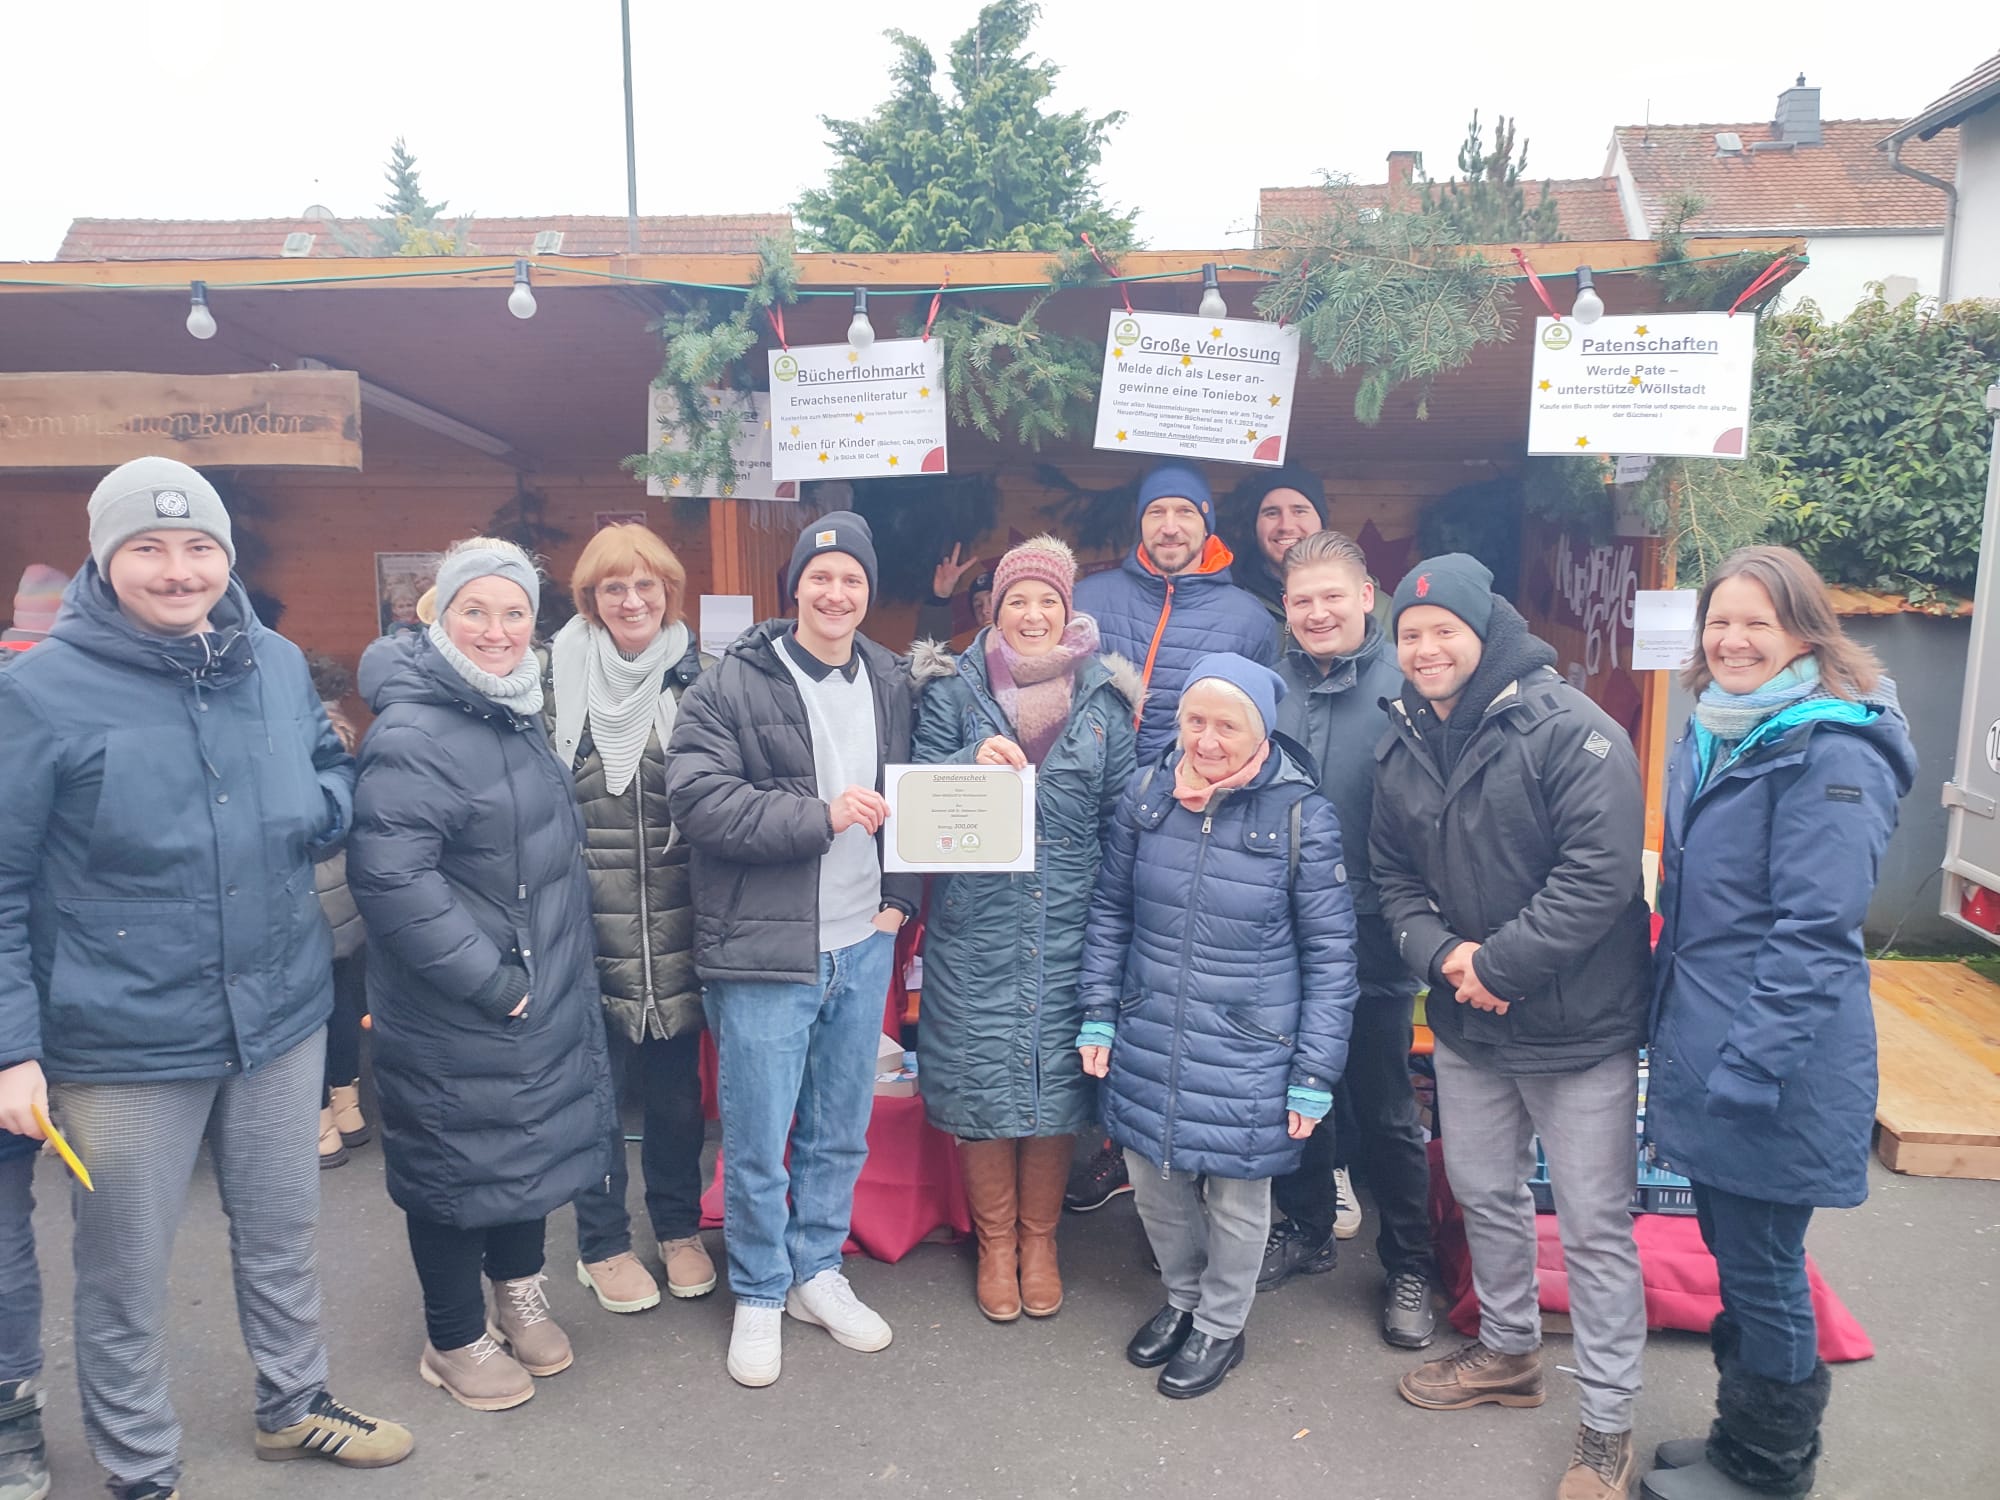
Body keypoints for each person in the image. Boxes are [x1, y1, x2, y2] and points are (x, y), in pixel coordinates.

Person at [0, 457, 412, 1500]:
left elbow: (329, 765)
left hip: (276, 1012)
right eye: (148, 548)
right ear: (106, 557)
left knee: (281, 1233)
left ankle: (294, 1405)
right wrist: (13, 1050)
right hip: (121, 1038)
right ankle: (142, 1469)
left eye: (198, 547)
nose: (177, 571)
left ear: (225, 555)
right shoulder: (37, 694)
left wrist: (315, 809)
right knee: (125, 1272)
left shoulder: (271, 660)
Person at [1370, 553, 1651, 1500]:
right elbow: (1391, 877)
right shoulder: (1403, 735)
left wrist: (1496, 966)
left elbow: (1599, 878)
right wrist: (1447, 959)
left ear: (1483, 631)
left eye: (1442, 630)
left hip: (1577, 1029)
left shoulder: (1572, 729)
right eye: (1410, 636)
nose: (1425, 648)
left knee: (1593, 1227)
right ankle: (1507, 1354)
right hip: (1467, 1025)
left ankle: (1607, 1428)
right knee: (1486, 1192)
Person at [1640, 547, 1914, 1500]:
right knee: (1738, 1255)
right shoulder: (1723, 731)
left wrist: (1753, 1069)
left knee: (1762, 1268)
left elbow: (1813, 932)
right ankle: (1737, 1439)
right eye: (1720, 621)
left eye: (1757, 622)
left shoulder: (1830, 750)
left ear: (1805, 630)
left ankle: (1766, 1470)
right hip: (1714, 1039)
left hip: (1774, 1060)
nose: (1733, 639)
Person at [349, 537, 615, 1414]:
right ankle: (455, 1335)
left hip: (531, 988)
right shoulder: (415, 727)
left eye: (514, 613)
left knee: (526, 1151)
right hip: (461, 1003)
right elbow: (393, 878)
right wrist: (493, 981)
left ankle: (520, 1292)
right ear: (440, 617)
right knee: (454, 1173)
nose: (496, 630)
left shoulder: (512, 708)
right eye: (476, 611)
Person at [665, 511, 919, 1388]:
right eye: (822, 576)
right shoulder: (728, 686)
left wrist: (897, 903)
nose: (836, 592)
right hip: (766, 952)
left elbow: (916, 799)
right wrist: (822, 816)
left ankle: (817, 1272)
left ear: (867, 591)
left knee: (840, 1132)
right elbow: (698, 801)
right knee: (760, 1135)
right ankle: (762, 1291)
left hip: (862, 942)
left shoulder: (890, 677)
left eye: (852, 578)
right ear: (796, 587)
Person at [1077, 654, 1358, 1400]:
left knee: (1236, 1198)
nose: (1205, 739)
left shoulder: (1301, 815)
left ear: (1259, 730)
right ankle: (1183, 1299)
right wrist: (1099, 1014)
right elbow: (1112, 912)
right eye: (1194, 720)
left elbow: (1332, 956)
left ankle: (1221, 1327)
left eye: (1225, 724)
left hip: (1248, 1046)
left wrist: (1313, 1075)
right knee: (1153, 1181)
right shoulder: (1148, 795)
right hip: (1150, 1029)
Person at [911, 535, 1139, 1322]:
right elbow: (914, 802)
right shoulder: (952, 689)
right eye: (1017, 601)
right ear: (993, 610)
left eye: (1048, 600)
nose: (1034, 614)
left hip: (1075, 924)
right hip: (978, 927)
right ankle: (994, 1242)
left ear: (1068, 610)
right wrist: (967, 768)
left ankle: (1039, 1242)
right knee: (982, 1083)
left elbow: (1122, 822)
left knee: (1057, 1086)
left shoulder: (1106, 700)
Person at [1067, 462, 1278, 1209]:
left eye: (1185, 513)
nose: (1170, 527)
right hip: (1093, 818)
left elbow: (1265, 729)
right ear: (1140, 523)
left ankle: (1176, 1166)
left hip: (1193, 825)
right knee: (1103, 973)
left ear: (1207, 523)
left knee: (1170, 981)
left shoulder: (1251, 618)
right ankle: (1115, 1146)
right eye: (1157, 513)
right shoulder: (1089, 601)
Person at [1260, 531, 1437, 1349]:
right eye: (1302, 601)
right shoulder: (1269, 687)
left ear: (1369, 595)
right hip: (1282, 926)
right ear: (1286, 610)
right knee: (1299, 1094)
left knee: (1387, 1102)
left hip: (1376, 929)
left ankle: (1408, 1263)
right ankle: (1305, 1228)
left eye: (1333, 596)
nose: (1318, 612)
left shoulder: (1412, 686)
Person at [547, 524, 717, 1314]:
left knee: (677, 1096)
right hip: (585, 929)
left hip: (682, 924)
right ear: (591, 598)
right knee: (598, 1096)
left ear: (668, 592)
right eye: (614, 587)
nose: (632, 600)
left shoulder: (700, 679)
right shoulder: (551, 682)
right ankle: (603, 1244)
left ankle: (679, 1229)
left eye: (646, 584)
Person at [306, 652, 371, 1169]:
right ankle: (348, 1109)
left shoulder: (297, 734)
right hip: (345, 892)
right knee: (345, 1001)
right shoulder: (346, 733)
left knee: (308, 1013)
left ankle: (318, 1120)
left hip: (306, 894)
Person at [1224, 465, 1329, 632]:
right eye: (1271, 513)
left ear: (1321, 522)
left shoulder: (1374, 606)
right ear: (1255, 526)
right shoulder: (1227, 603)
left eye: (1299, 511)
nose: (1285, 526)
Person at [914, 545, 994, 647]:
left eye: (992, 601)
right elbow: (928, 657)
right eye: (978, 605)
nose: (984, 610)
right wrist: (940, 599)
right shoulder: (969, 661)